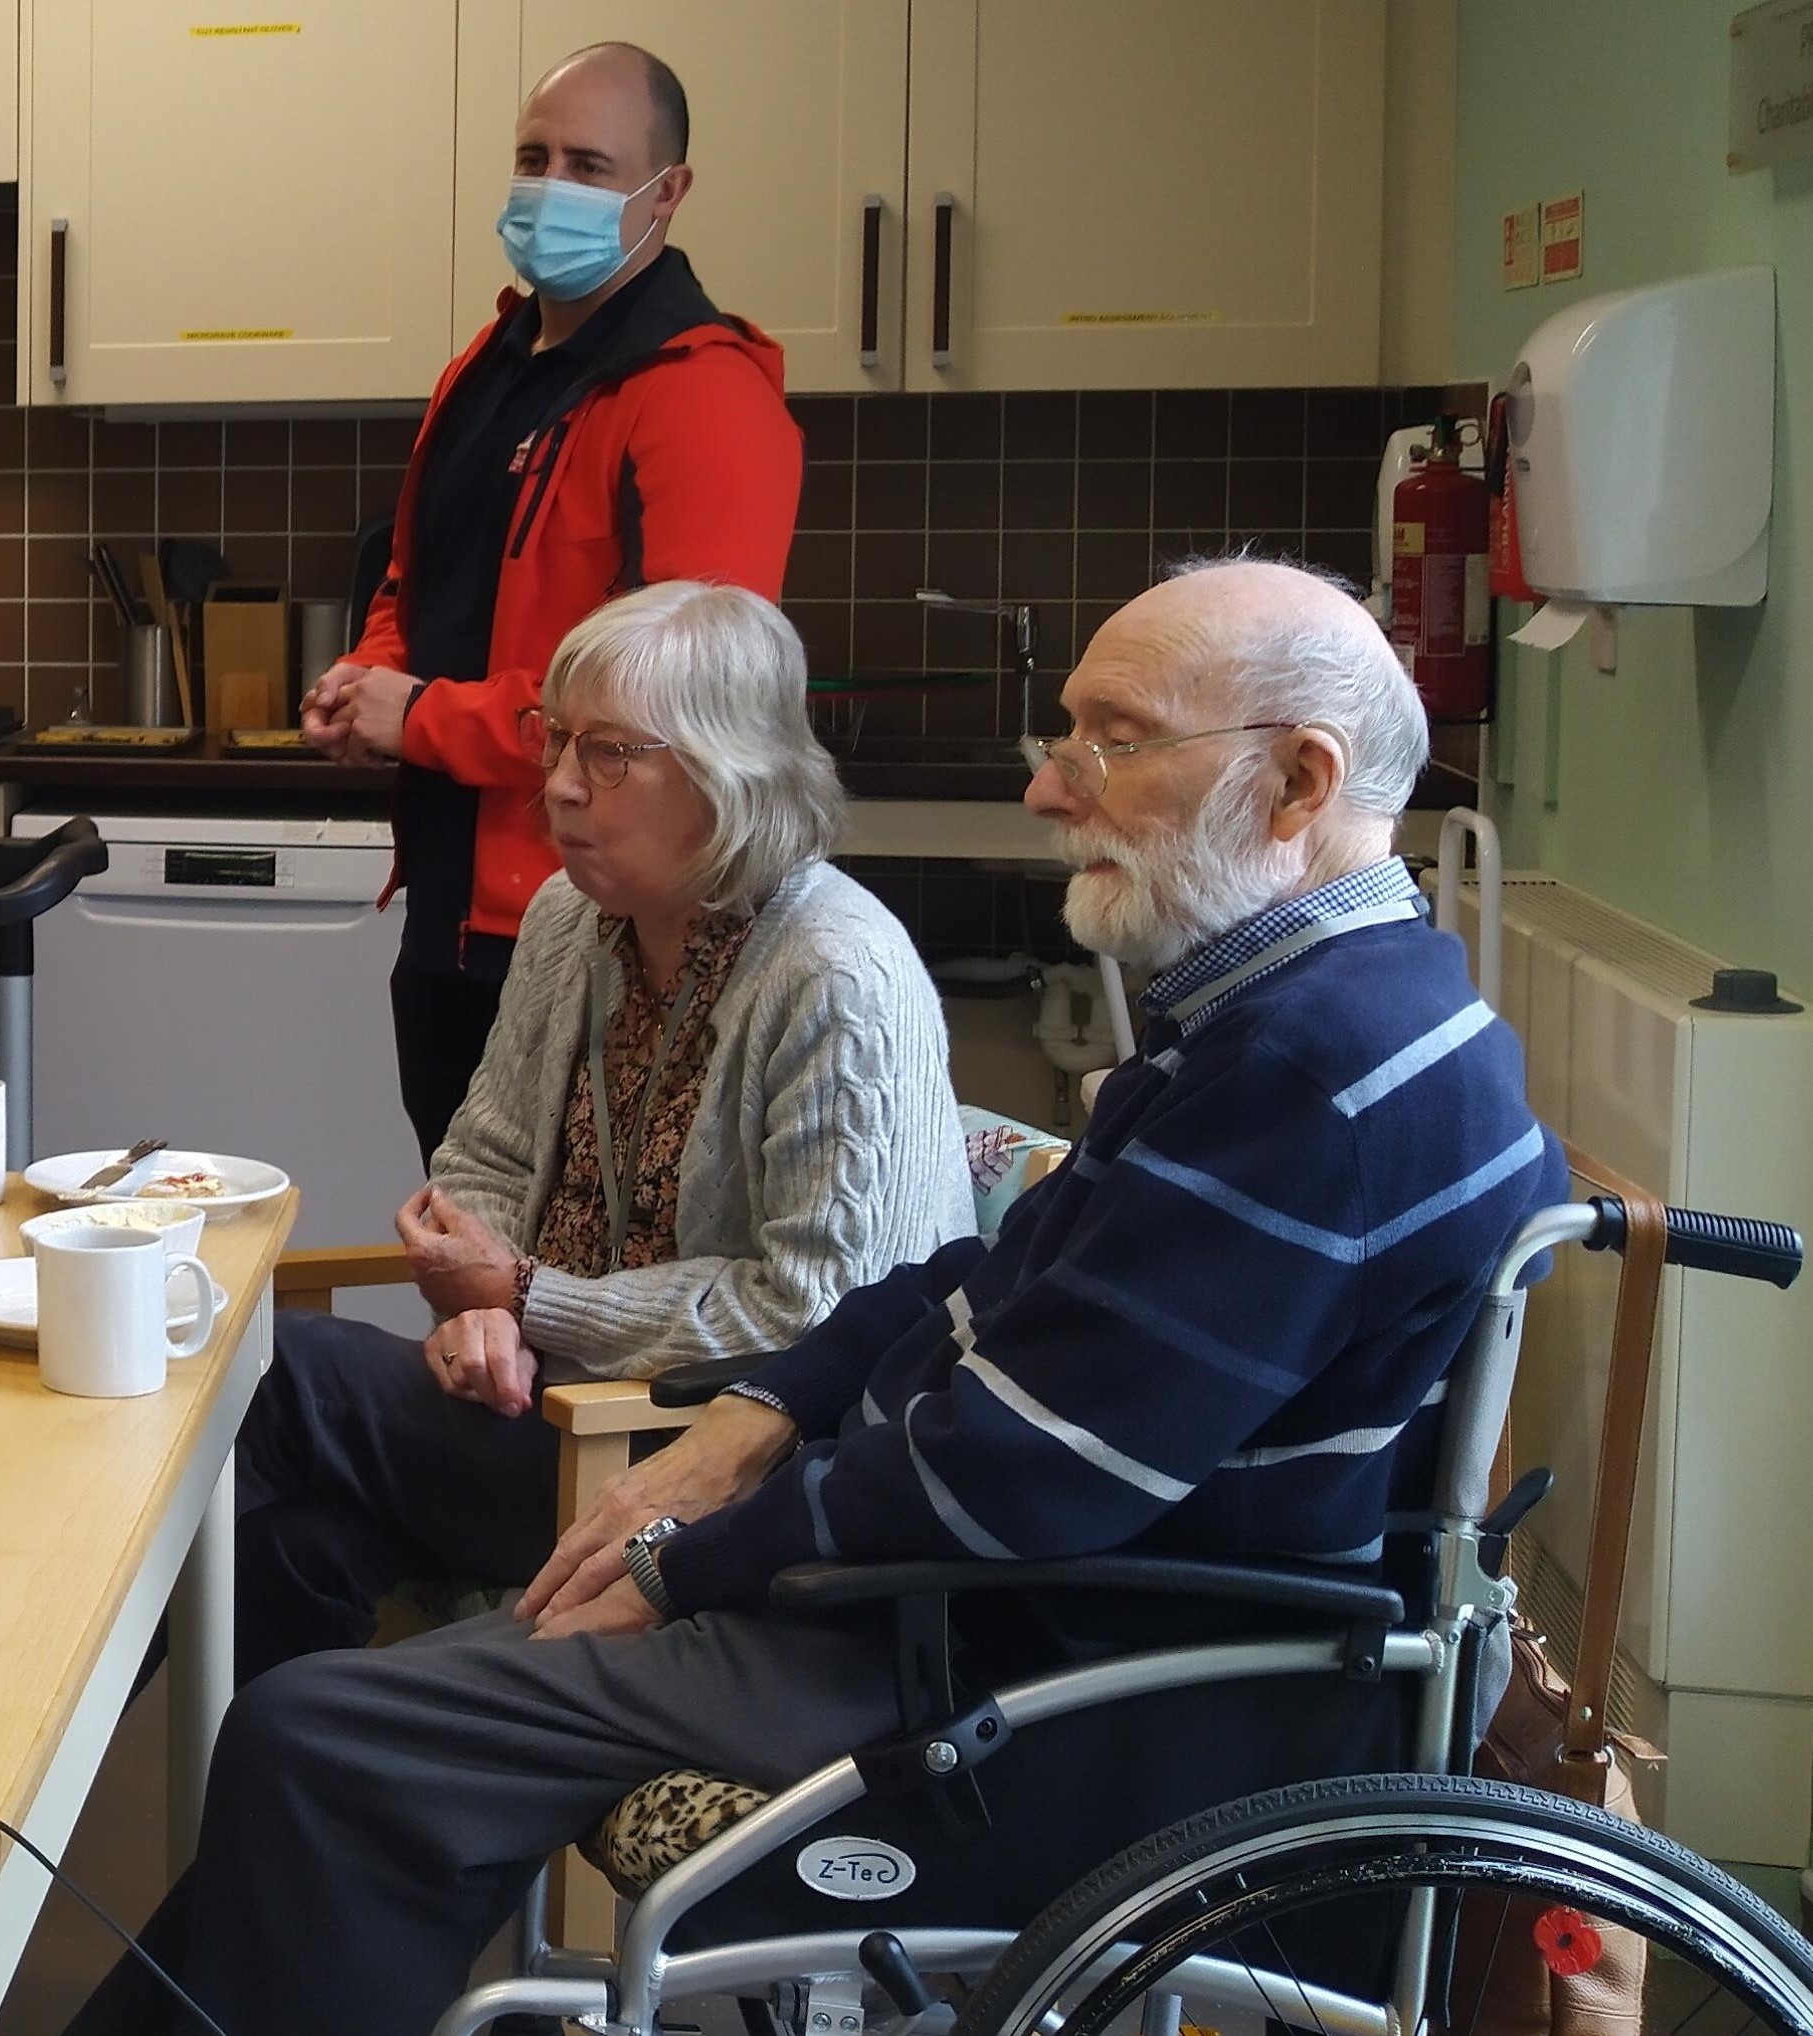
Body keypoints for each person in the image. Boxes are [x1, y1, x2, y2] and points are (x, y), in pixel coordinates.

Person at [75, 559, 1563, 2036]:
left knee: (329, 1737)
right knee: (323, 1608)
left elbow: (1015, 1480)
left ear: (1295, 783)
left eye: (1109, 737)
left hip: (1032, 1662)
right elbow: (980, 1278)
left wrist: (688, 1554)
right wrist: (764, 1412)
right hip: (969, 1586)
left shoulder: (1303, 1077)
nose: (1050, 788)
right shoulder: (1317, 1019)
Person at [237, 582, 967, 1686]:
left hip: (701, 1468)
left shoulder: (836, 970)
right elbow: (481, 1153)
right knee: (286, 1550)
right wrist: (479, 1312)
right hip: (540, 1413)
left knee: (271, 1363)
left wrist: (529, 1298)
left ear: (731, 775)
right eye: (556, 739)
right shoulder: (568, 917)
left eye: (612, 753)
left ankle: (11, 1746)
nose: (561, 786)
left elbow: (825, 1311)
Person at [298, 42, 802, 1163]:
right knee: (464, 1250)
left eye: (587, 164)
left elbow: (680, 697)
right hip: (448, 912)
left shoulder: (705, 395)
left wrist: (418, 715)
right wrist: (365, 678)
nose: (548, 189)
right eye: (533, 159)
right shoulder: (484, 363)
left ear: (663, 193)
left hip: (598, 923)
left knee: (567, 1280)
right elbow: (411, 573)